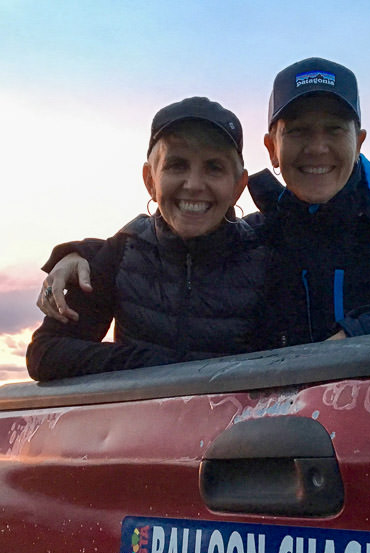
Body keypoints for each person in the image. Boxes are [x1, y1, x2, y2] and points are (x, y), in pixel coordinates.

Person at [39, 58, 370, 348]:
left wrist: (364, 336)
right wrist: (79, 253)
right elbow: (178, 243)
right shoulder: (264, 232)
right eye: (298, 131)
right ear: (271, 149)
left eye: (334, 130)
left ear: (359, 140)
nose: (317, 148)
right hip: (280, 461)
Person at [26, 97, 268, 381]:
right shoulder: (121, 254)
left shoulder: (266, 259)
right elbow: (44, 354)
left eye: (214, 167)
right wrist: (149, 364)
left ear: (238, 186)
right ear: (150, 180)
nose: (193, 185)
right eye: (176, 165)